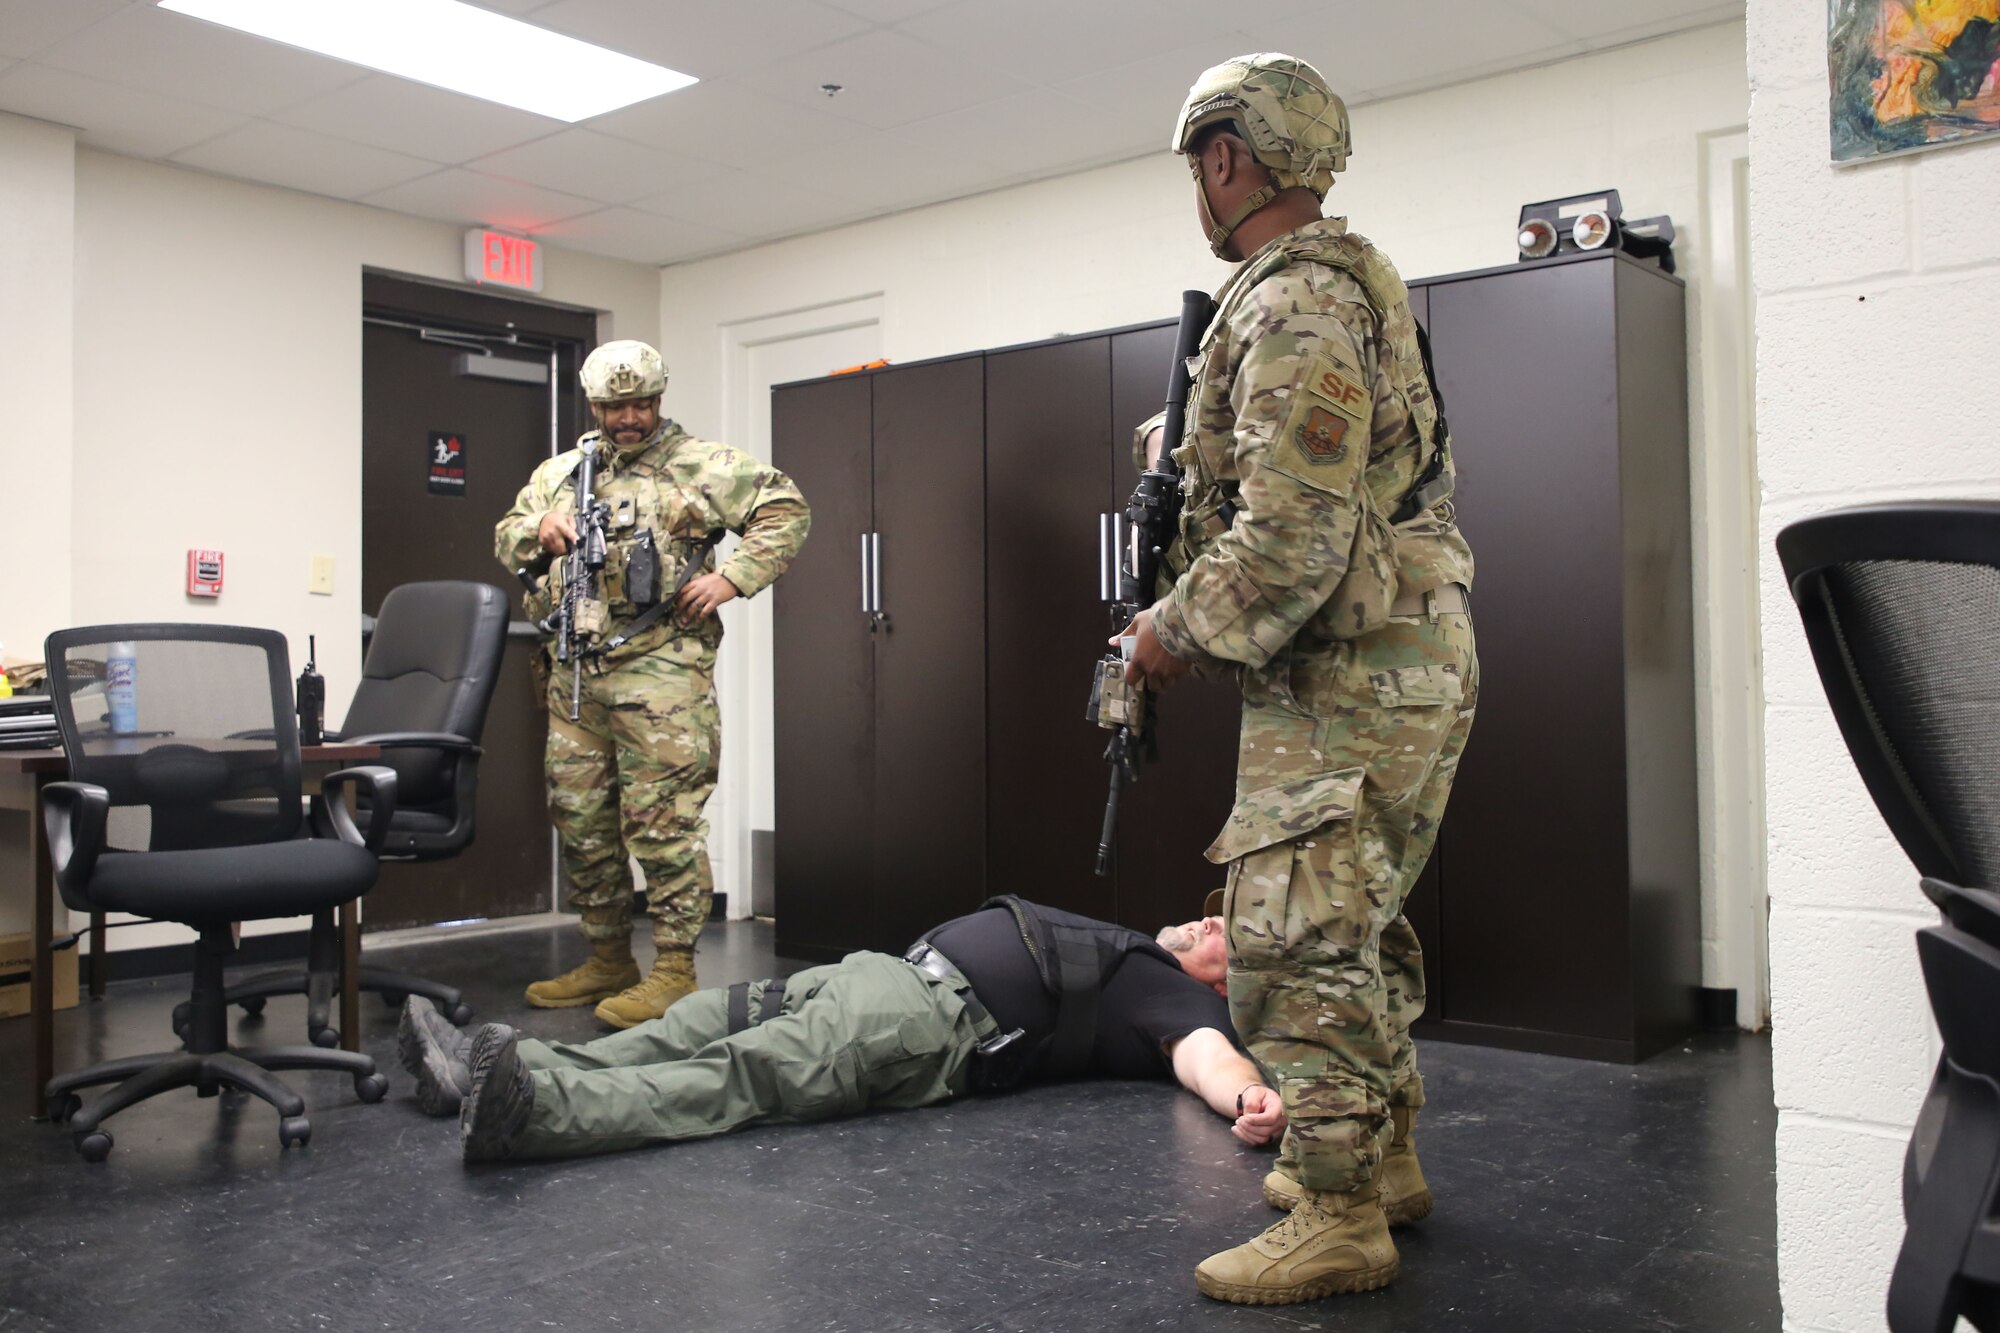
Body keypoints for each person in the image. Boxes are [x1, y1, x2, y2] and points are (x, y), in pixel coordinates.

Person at [1112, 54, 1479, 1306]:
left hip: (1354, 667)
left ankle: (1333, 1213)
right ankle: (1381, 1161)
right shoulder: (1338, 286)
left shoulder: (1290, 307)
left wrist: (1162, 634)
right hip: (1386, 655)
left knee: (1297, 926)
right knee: (1354, 912)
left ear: (1225, 158)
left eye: (1198, 167)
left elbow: (1289, 544)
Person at [394, 896, 1289, 1164]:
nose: (1212, 926)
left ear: (1231, 982)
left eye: (1229, 941)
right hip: (883, 976)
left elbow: (1208, 1058)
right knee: (697, 1019)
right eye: (1215, 918)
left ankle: (535, 1109)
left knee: (736, 1070)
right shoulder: (1135, 942)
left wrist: (1247, 1095)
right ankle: (490, 1066)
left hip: (925, 1022)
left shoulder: (1172, 997)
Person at [495, 340, 810, 1028]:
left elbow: (785, 508)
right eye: (614, 406)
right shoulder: (563, 471)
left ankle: (673, 967)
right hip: (576, 672)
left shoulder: (702, 464)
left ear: (660, 399)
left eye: (641, 404)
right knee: (582, 822)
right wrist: (539, 528)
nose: (628, 418)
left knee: (662, 822)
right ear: (594, 405)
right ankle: (608, 958)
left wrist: (732, 577)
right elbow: (507, 531)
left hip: (661, 672)